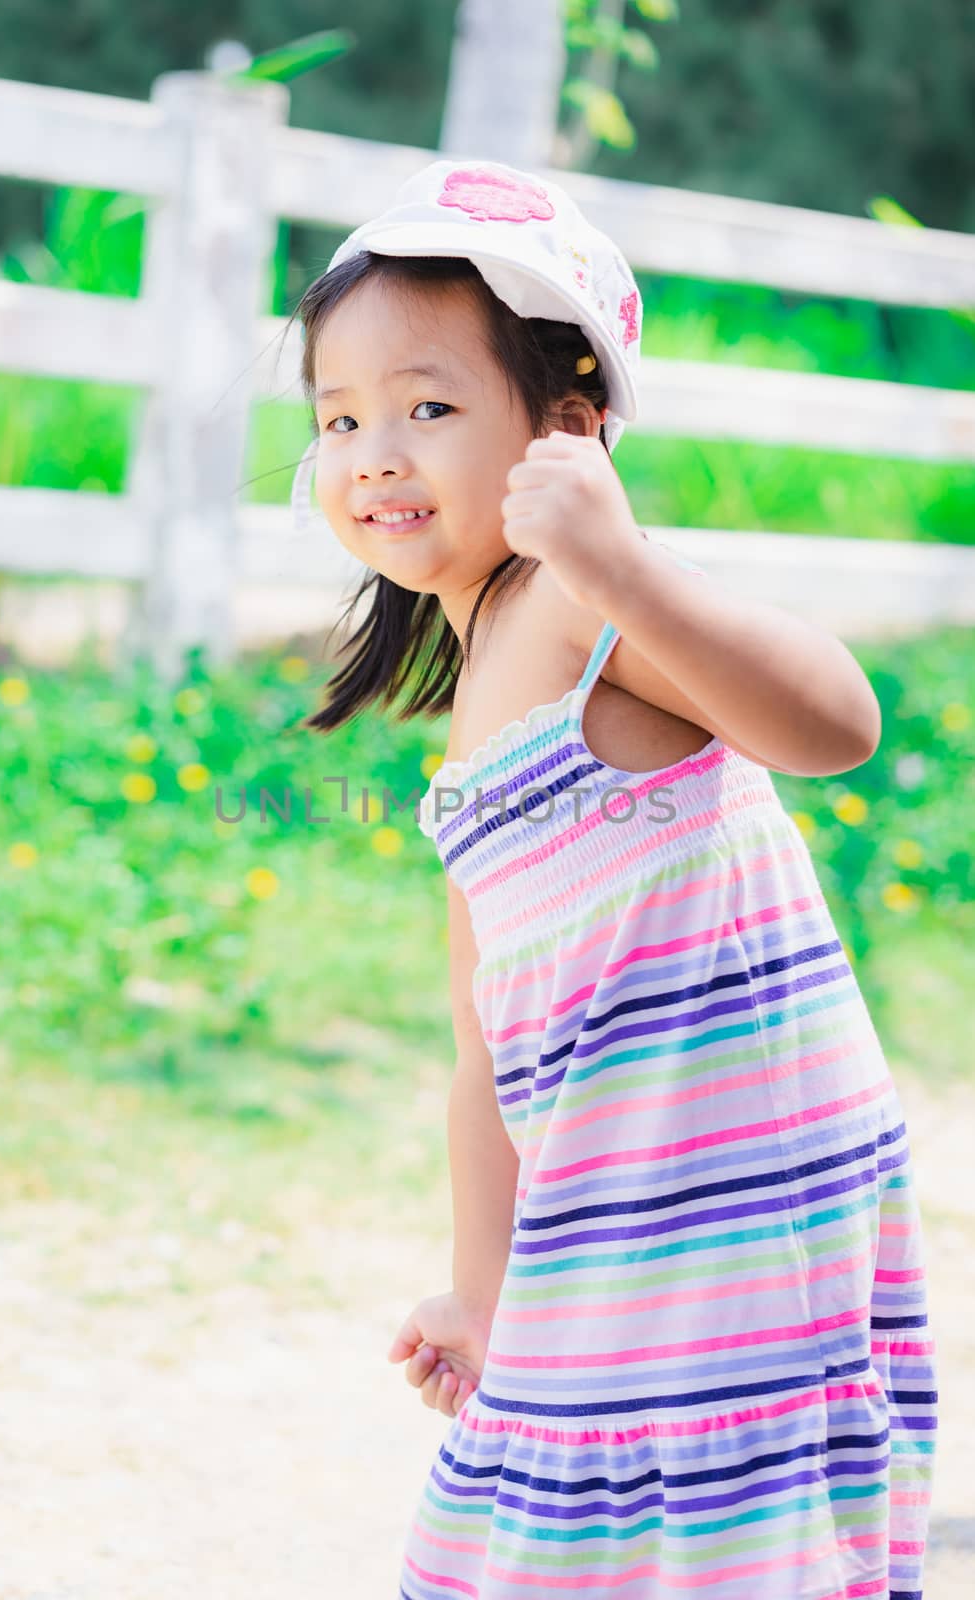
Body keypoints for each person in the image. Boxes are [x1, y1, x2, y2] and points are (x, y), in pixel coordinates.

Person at [286, 159, 938, 1600]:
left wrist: (626, 566)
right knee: (601, 1522)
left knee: (707, 1532)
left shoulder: (585, 606)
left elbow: (835, 723)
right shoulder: (465, 739)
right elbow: (484, 1055)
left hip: (738, 1198)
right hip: (618, 1205)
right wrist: (480, 1287)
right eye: (340, 419)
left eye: (428, 405)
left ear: (568, 427)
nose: (375, 453)